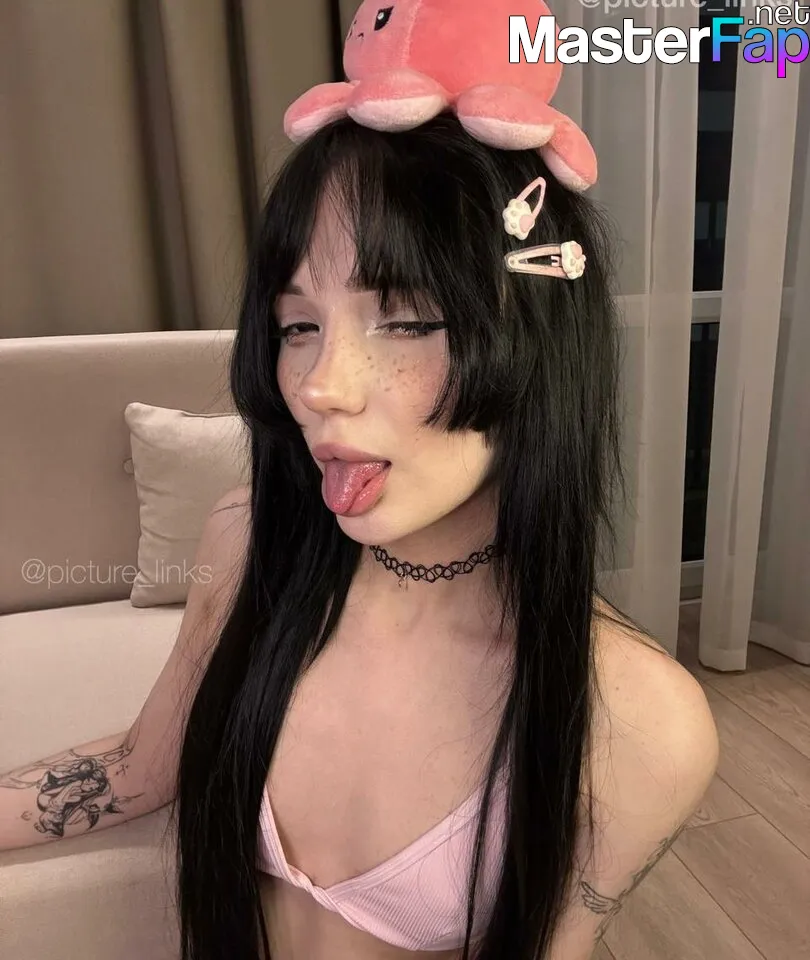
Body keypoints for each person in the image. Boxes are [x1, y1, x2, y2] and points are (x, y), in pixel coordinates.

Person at [0, 2, 720, 958]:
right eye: (298, 325)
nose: (318, 387)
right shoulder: (248, 542)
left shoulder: (640, 721)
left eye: (408, 319)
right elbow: (140, 767)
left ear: (541, 343)